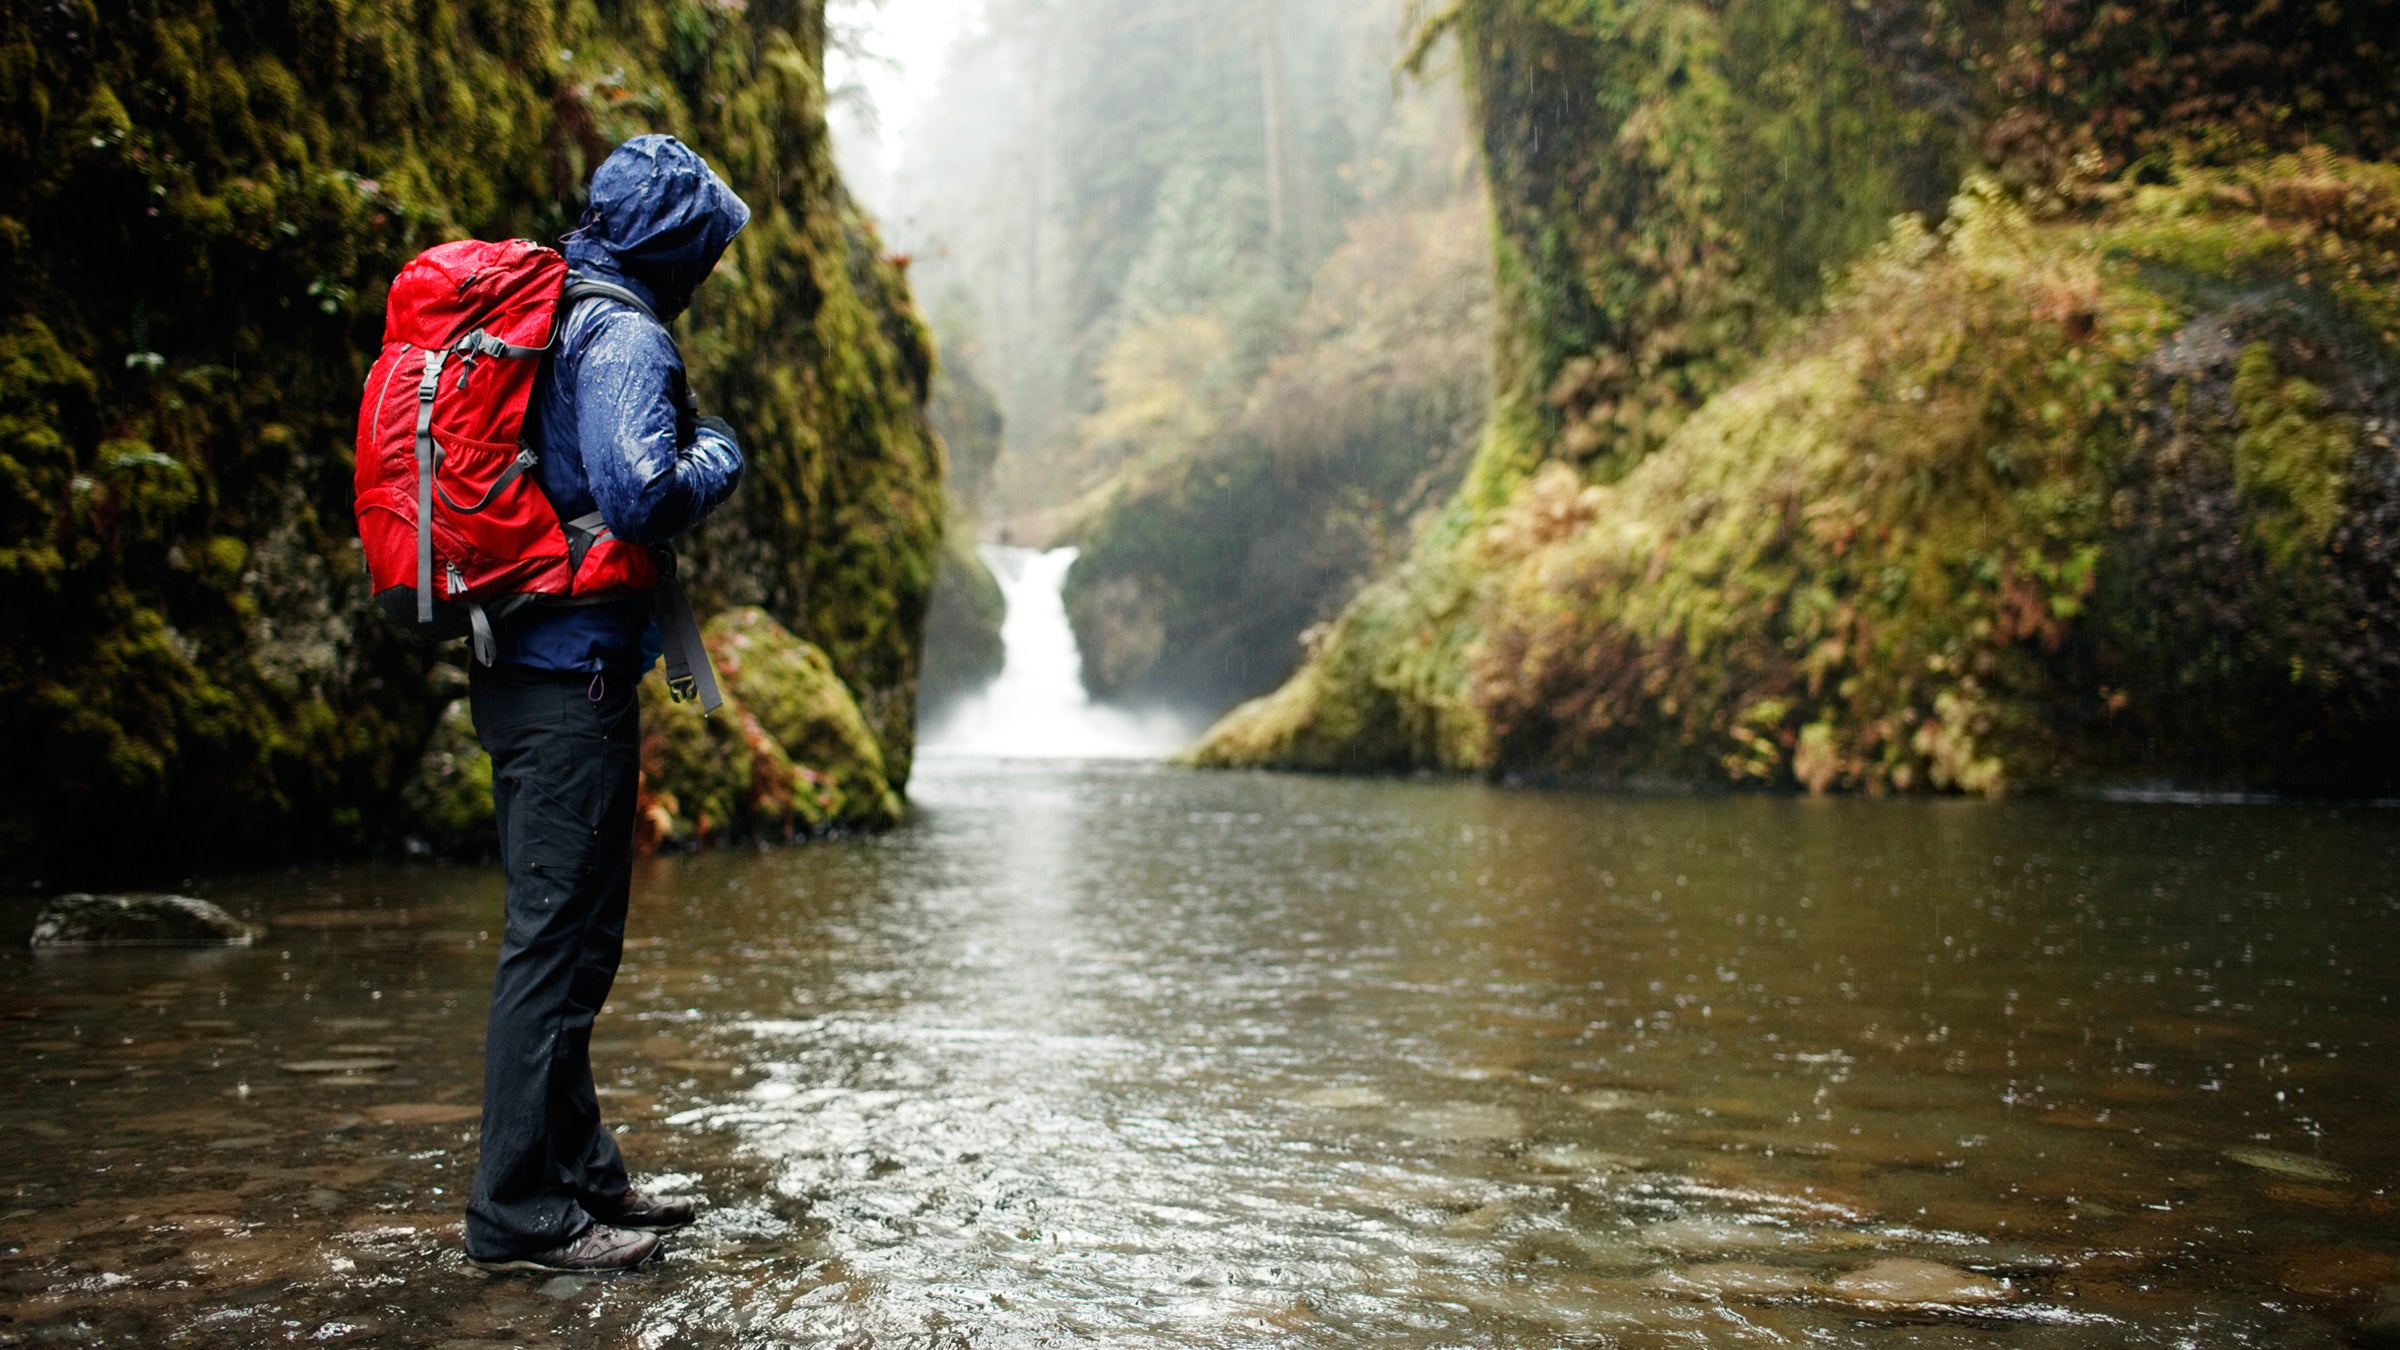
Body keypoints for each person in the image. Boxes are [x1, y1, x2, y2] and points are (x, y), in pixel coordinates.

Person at [461, 134, 750, 1274]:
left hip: (531, 670)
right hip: (569, 683)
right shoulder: (623, 330)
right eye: (706, 247)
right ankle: (519, 1217)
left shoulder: (565, 309)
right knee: (554, 947)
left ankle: (581, 1178)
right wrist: (717, 452)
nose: (711, 269)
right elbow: (638, 495)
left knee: (573, 945)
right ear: (674, 243)